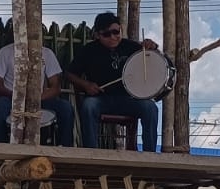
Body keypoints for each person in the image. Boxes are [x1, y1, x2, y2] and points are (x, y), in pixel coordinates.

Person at [64, 12, 161, 152]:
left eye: (116, 32)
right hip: (100, 99)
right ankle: (91, 152)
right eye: (106, 34)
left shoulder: (131, 47)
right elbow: (69, 74)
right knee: (88, 106)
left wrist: (152, 45)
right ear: (97, 35)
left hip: (129, 99)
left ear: (120, 29)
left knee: (150, 108)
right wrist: (86, 85)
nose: (113, 37)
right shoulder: (88, 50)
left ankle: (149, 153)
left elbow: (153, 58)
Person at [0, 40, 75, 146]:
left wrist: (37, 98)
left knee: (65, 108)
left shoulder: (47, 53)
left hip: (39, 100)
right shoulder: (5, 52)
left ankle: (64, 149)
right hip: (11, 99)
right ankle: (0, 148)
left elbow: (56, 87)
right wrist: (17, 97)